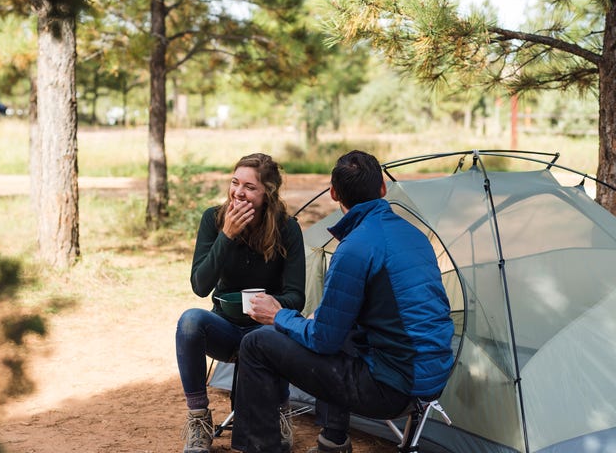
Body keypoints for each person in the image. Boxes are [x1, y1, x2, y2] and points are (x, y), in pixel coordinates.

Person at [230, 150, 455, 453]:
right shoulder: (415, 235)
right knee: (341, 332)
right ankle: (332, 443)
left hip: (392, 389)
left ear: (334, 194)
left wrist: (278, 315)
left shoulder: (355, 248)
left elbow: (323, 341)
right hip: (433, 376)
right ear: (383, 189)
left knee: (257, 344)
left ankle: (261, 448)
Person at [175, 153, 306, 453]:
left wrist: (271, 304)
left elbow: (297, 297)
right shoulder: (213, 219)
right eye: (235, 183)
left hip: (266, 331)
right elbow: (200, 285)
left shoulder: (288, 228)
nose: (238, 192)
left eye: (250, 187)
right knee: (190, 321)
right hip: (226, 327)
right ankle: (199, 419)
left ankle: (279, 410)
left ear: (267, 193)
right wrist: (227, 236)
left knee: (275, 332)